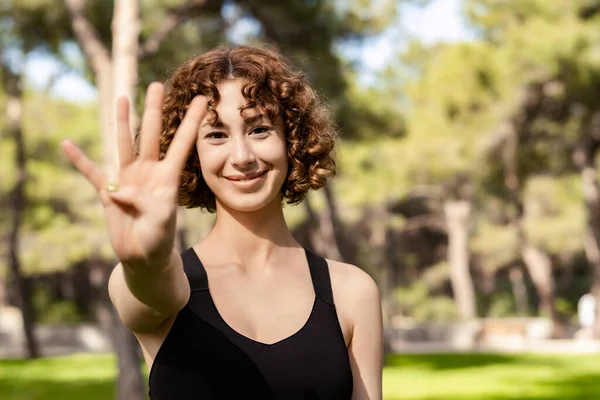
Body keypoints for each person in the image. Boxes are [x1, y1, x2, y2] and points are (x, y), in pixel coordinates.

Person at [61, 45, 383, 399]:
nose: (242, 156)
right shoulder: (166, 281)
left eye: (259, 129)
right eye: (216, 134)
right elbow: (152, 290)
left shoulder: (351, 292)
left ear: (291, 138)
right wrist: (145, 259)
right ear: (192, 155)